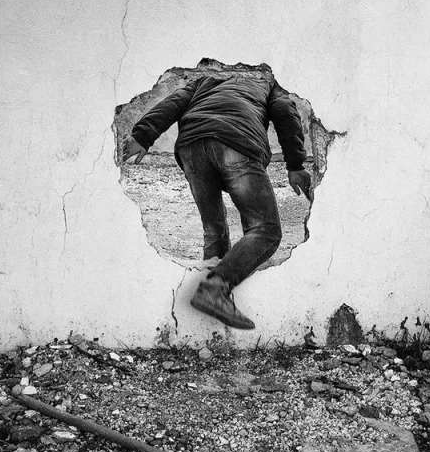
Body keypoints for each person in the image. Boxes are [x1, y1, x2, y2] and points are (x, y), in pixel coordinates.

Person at [122, 70, 312, 329]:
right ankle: (214, 289)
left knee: (214, 229)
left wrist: (143, 136)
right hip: (236, 141)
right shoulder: (267, 83)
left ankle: (206, 323)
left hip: (192, 146)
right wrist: (295, 164)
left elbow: (174, 102)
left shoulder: (204, 80)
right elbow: (284, 112)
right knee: (265, 230)